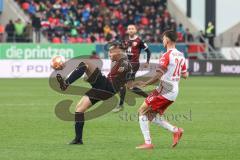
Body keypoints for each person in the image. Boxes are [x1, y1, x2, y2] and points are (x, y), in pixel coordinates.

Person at [56, 40, 132, 144]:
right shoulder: (119, 61)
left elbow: (124, 85)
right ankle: (78, 139)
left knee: (86, 64)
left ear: (118, 52)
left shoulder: (124, 63)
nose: (109, 54)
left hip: (106, 87)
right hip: (103, 89)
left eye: (111, 52)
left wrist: (121, 103)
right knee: (79, 109)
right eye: (109, 52)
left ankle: (66, 84)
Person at [134, 30, 188, 149]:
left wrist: (145, 83)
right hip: (174, 91)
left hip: (165, 90)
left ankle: (148, 143)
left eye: (163, 39)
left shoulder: (166, 55)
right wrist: (174, 73)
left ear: (167, 40)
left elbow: (158, 75)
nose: (163, 41)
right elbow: (185, 75)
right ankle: (175, 130)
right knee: (150, 116)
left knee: (141, 111)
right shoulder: (181, 55)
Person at [112, 24, 151, 113]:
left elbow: (148, 51)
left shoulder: (139, 41)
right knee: (129, 87)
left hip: (134, 64)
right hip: (126, 64)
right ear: (127, 31)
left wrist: (147, 62)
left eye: (132, 29)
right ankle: (149, 97)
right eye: (129, 29)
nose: (130, 30)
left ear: (135, 30)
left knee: (122, 82)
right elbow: (122, 50)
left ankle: (120, 105)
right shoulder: (125, 40)